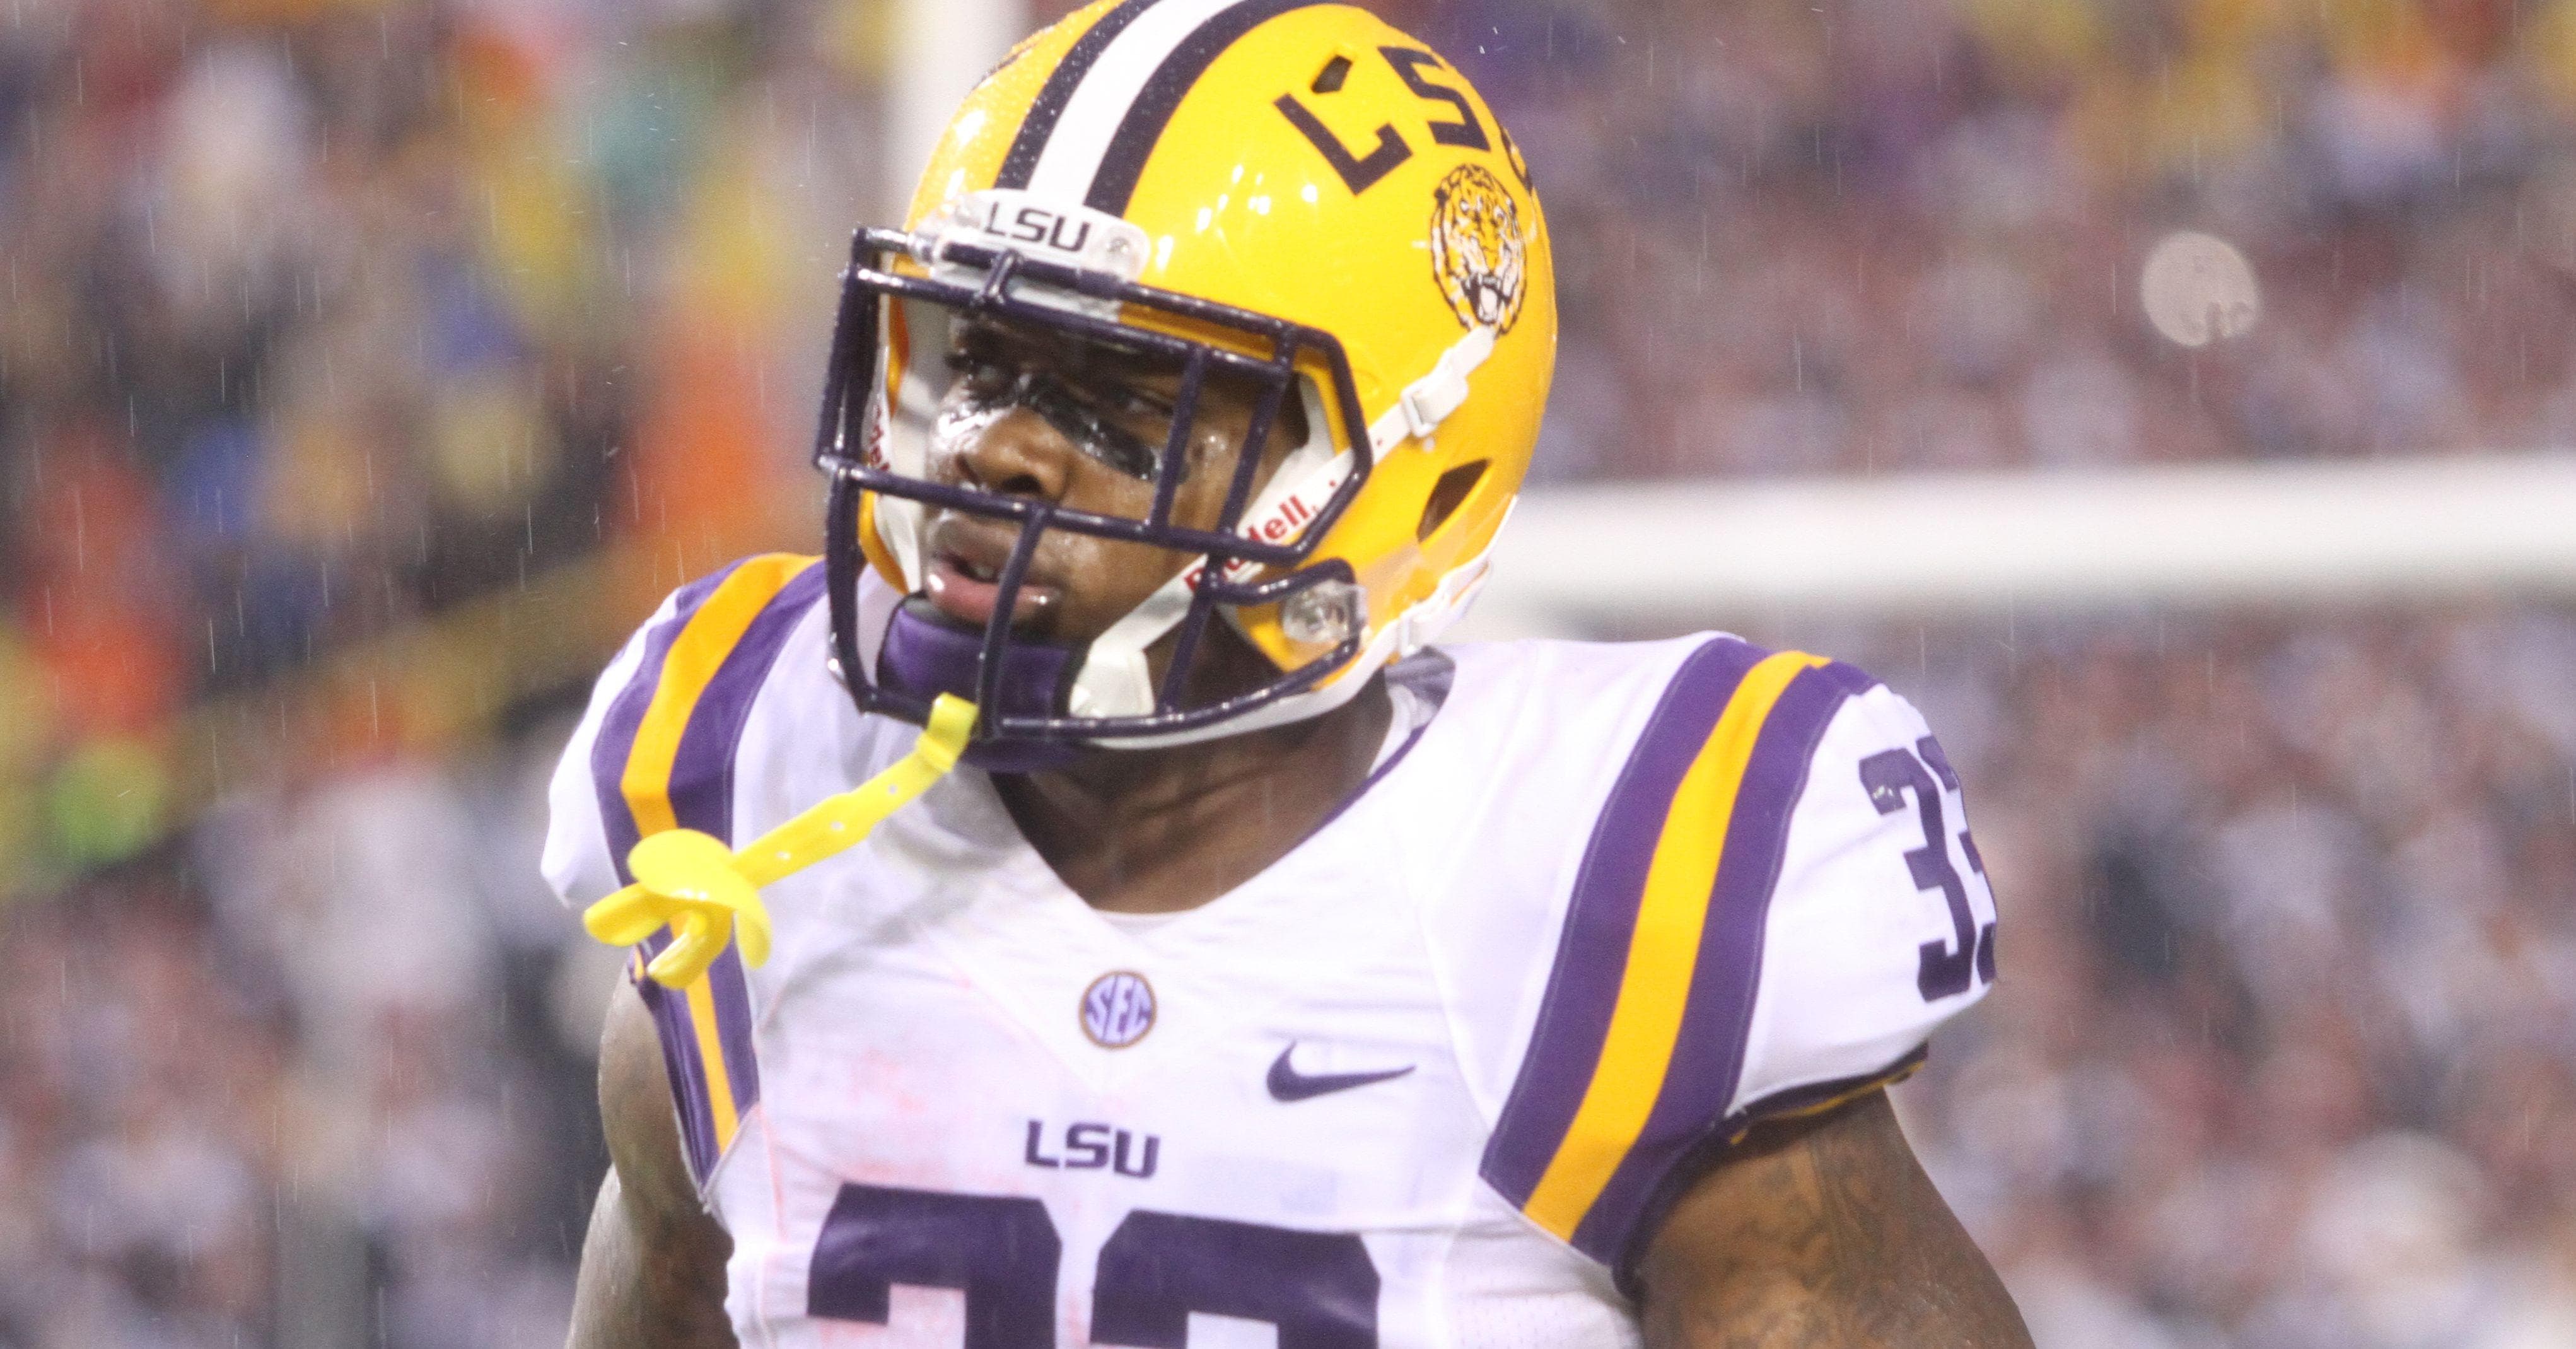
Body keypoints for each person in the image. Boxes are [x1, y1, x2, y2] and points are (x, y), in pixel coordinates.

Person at [546, 1, 2030, 1344]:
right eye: (977, 361)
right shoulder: (744, 791)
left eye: (1122, 400)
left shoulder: (1605, 895)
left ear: (1395, 479)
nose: (987, 448)